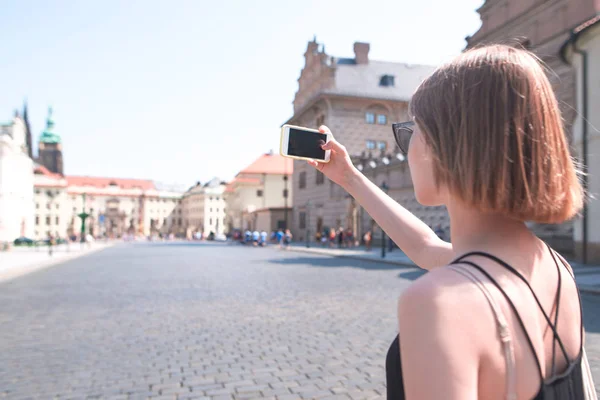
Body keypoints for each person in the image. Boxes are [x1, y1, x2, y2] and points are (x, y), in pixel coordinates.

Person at [307, 45, 591, 399]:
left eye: (413, 130)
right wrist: (350, 178)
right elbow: (426, 247)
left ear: (449, 145)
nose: (407, 148)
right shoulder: (555, 267)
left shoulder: (440, 302)